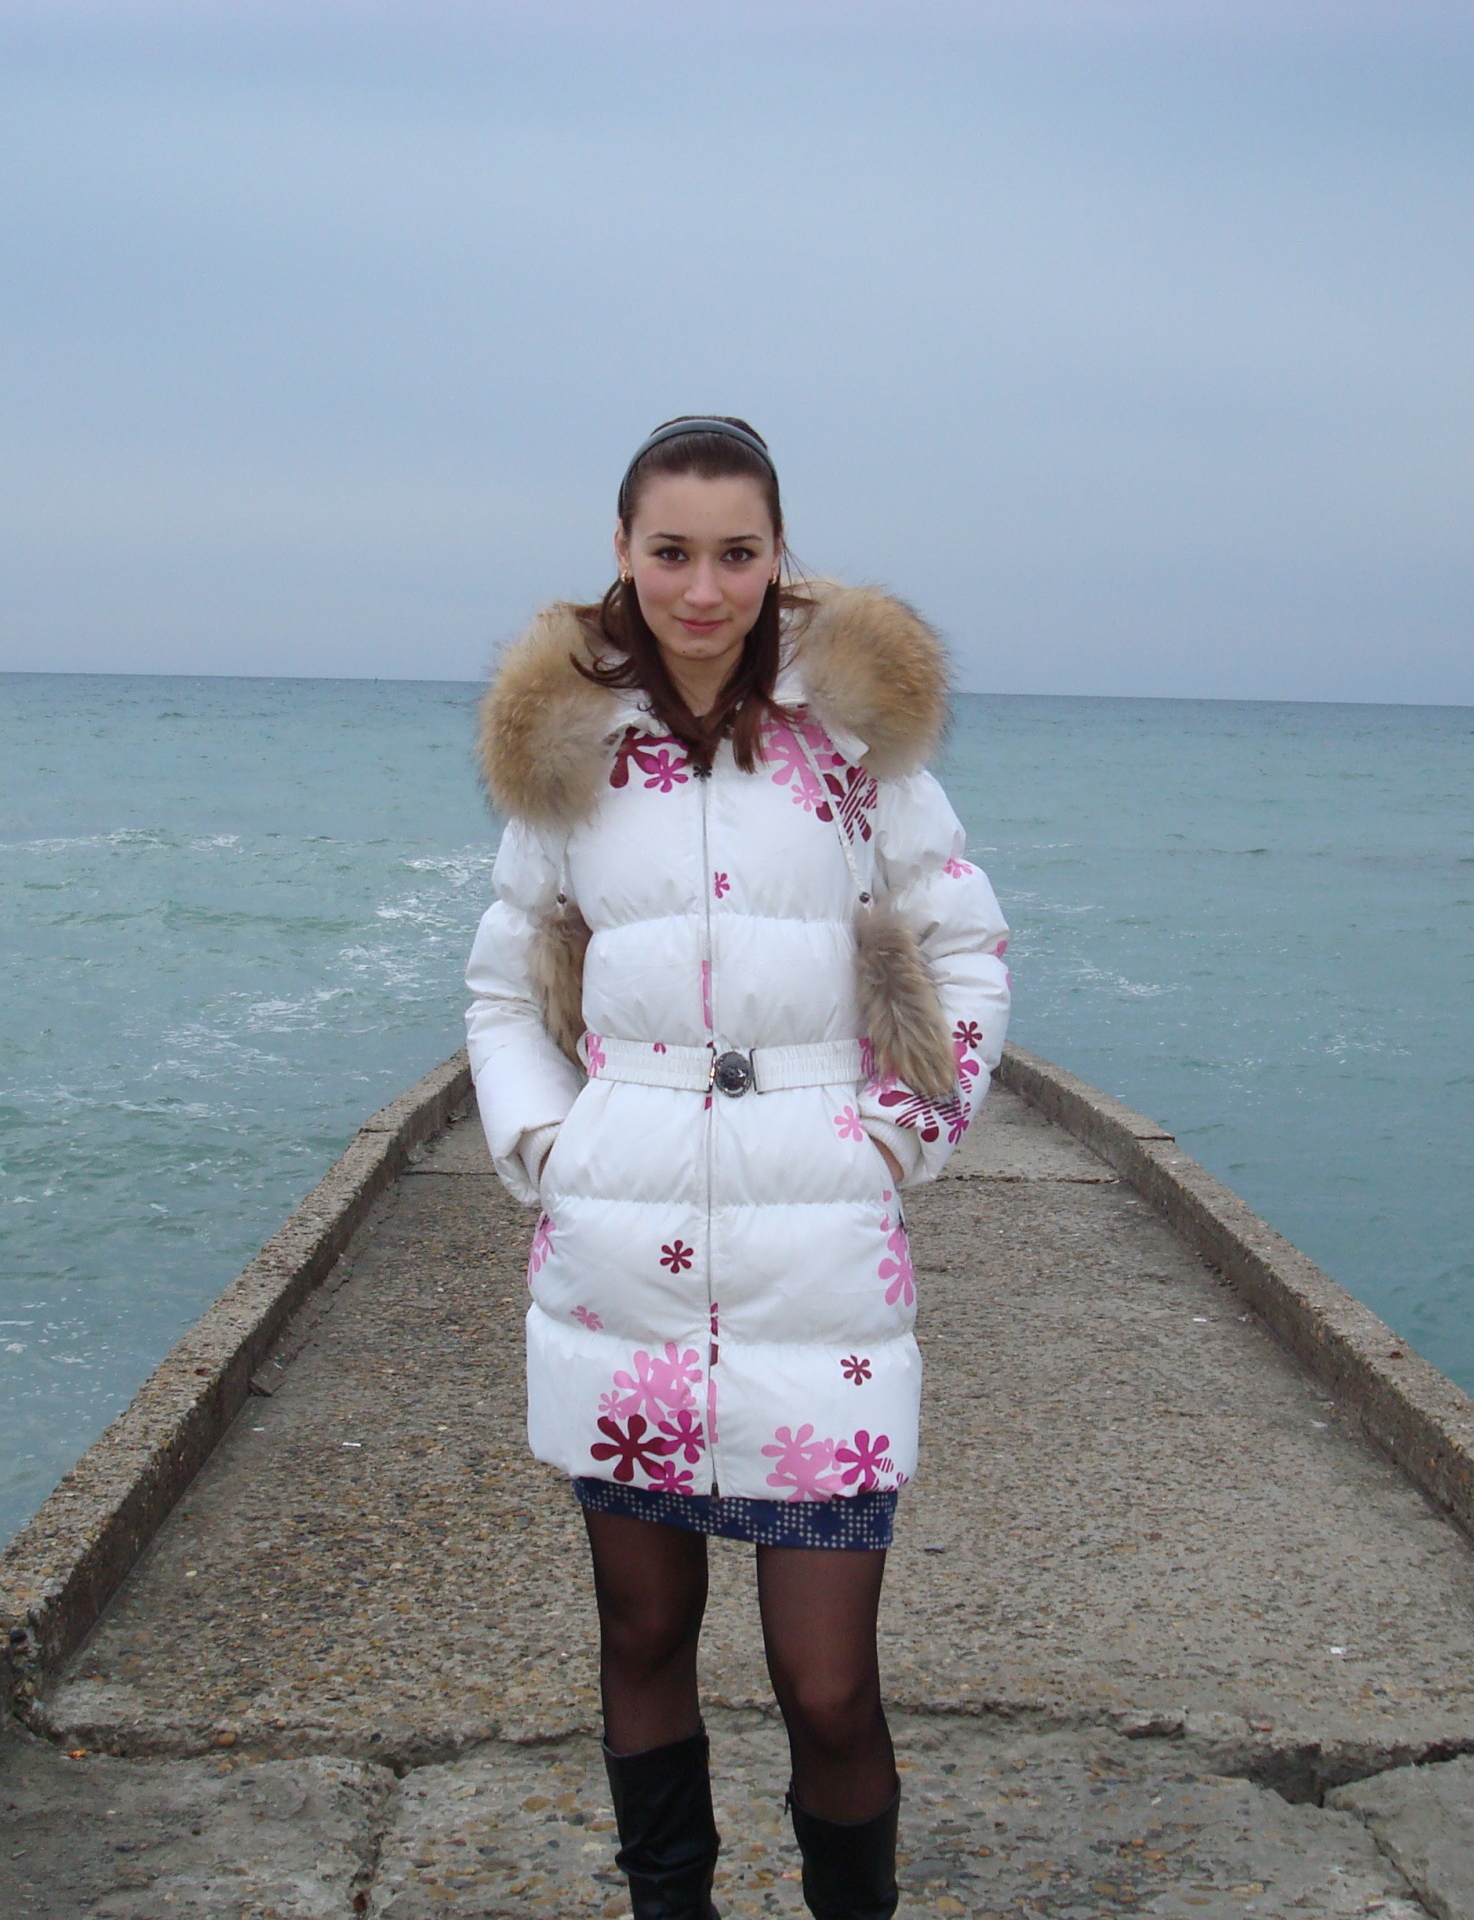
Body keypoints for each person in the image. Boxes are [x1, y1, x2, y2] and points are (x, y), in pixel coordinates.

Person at [463, 416, 1010, 1919]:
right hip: (620, 1269)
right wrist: (552, 1144)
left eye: (735, 553)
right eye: (671, 552)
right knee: (641, 1639)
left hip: (820, 1268)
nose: (702, 590)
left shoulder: (854, 741)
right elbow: (505, 988)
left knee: (827, 1686)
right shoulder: (571, 749)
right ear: (623, 554)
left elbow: (965, 947)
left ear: (777, 557)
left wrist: (899, 1133)